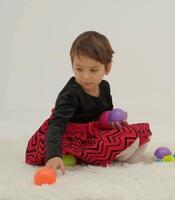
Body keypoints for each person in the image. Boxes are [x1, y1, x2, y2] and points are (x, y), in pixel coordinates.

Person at [25, 31, 152, 174]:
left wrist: (113, 123)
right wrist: (53, 155)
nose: (85, 76)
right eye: (79, 69)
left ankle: (119, 152)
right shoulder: (70, 94)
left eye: (93, 70)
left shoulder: (104, 87)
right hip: (68, 135)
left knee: (138, 132)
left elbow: (104, 116)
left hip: (92, 133)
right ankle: (78, 154)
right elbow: (56, 126)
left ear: (107, 67)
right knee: (110, 144)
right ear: (72, 64)